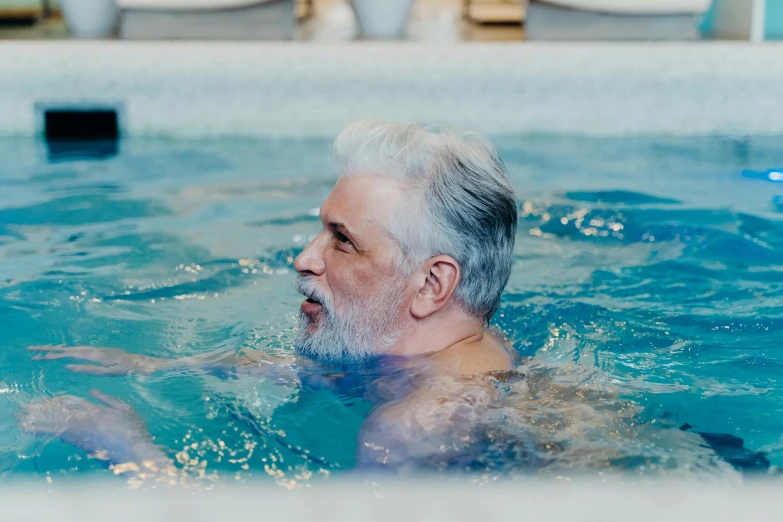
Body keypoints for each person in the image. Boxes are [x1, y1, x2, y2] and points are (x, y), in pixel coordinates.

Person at [21, 118, 522, 481]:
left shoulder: (414, 429)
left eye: (342, 240)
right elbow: (346, 368)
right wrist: (159, 366)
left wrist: (129, 450)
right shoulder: (462, 349)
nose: (305, 258)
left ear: (433, 285)